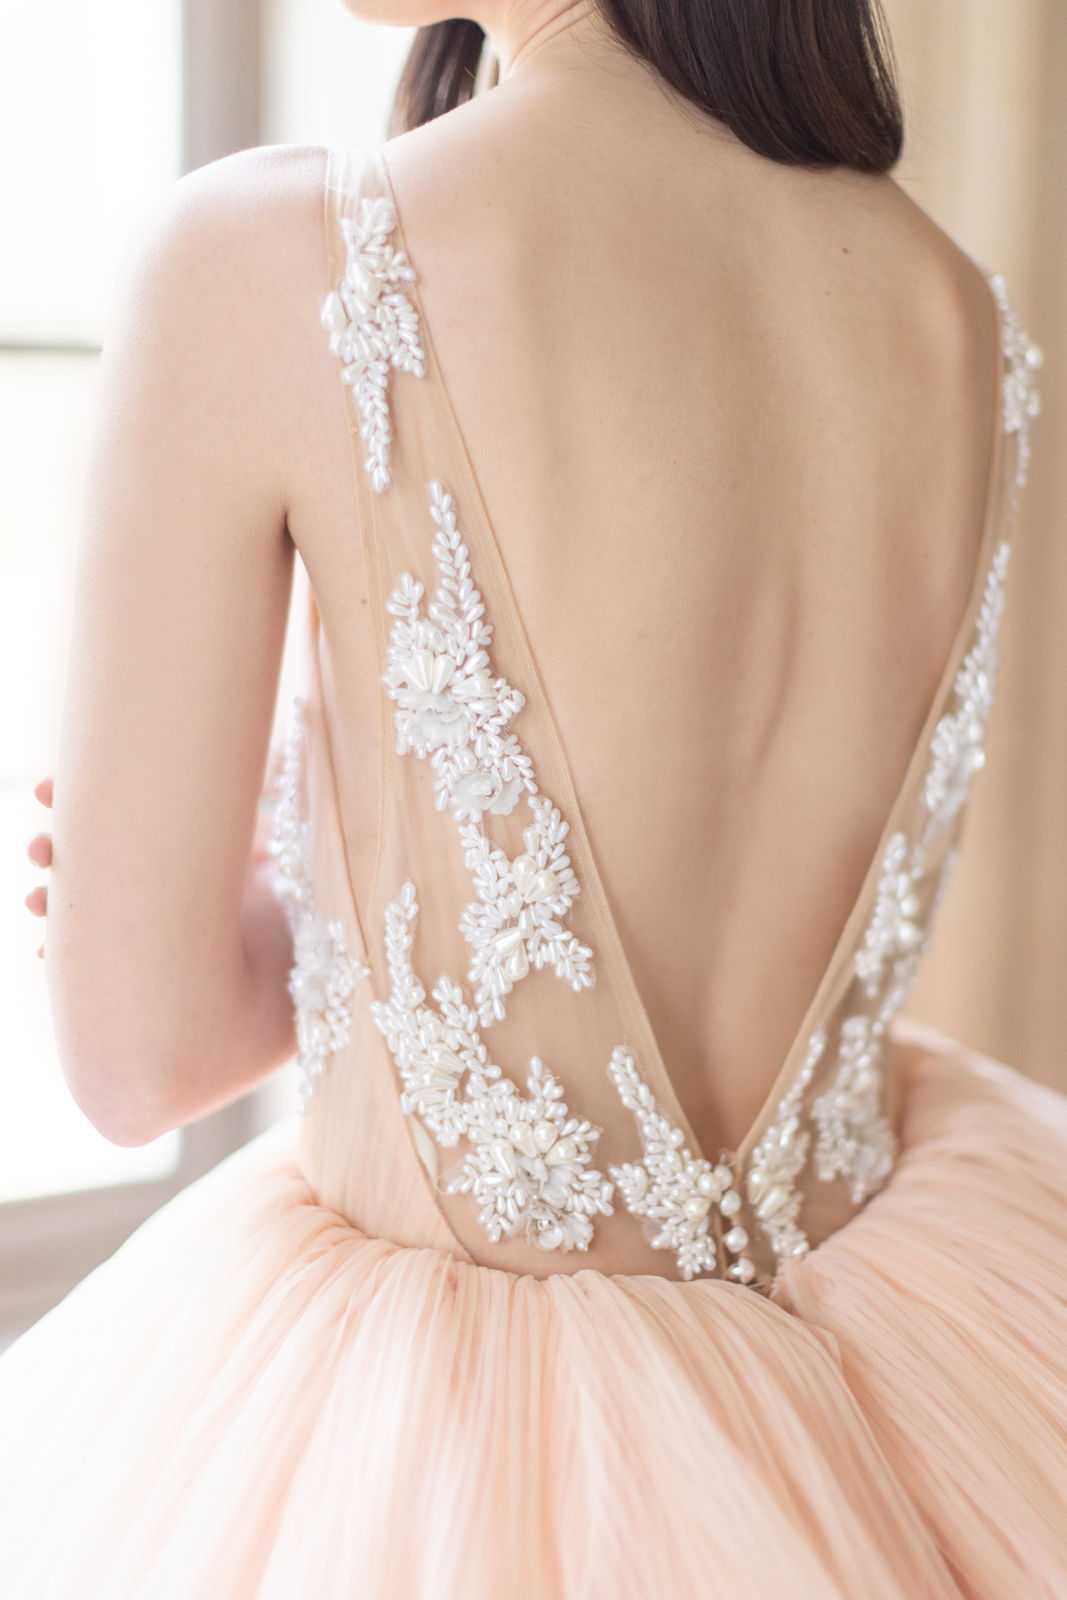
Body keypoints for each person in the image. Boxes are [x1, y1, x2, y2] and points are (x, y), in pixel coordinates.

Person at [8, 0, 1064, 1593]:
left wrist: (309, 883)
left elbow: (143, 1061)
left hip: (430, 1459)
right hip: (900, 1376)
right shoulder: (954, 310)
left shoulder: (270, 257)